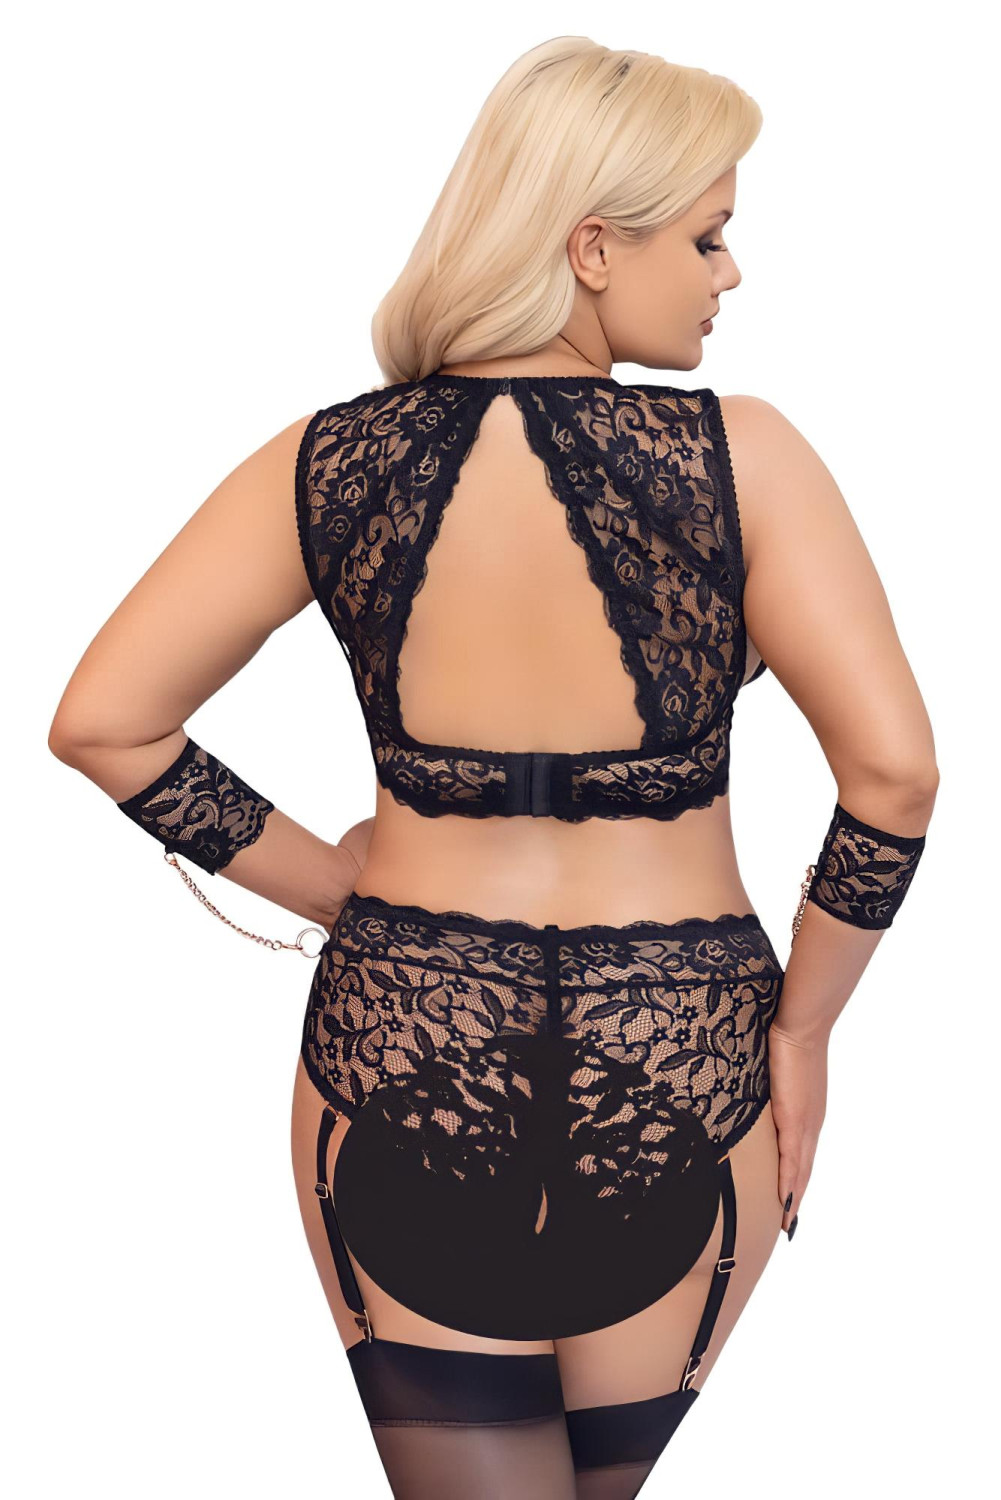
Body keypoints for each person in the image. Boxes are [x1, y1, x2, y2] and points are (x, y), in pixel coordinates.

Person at [48, 36, 938, 1500]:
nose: (731, 274)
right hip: (680, 1047)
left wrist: (339, 889)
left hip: (406, 1032)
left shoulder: (328, 460)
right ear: (592, 248)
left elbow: (105, 722)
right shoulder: (748, 458)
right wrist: (803, 1032)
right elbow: (893, 777)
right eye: (707, 236)